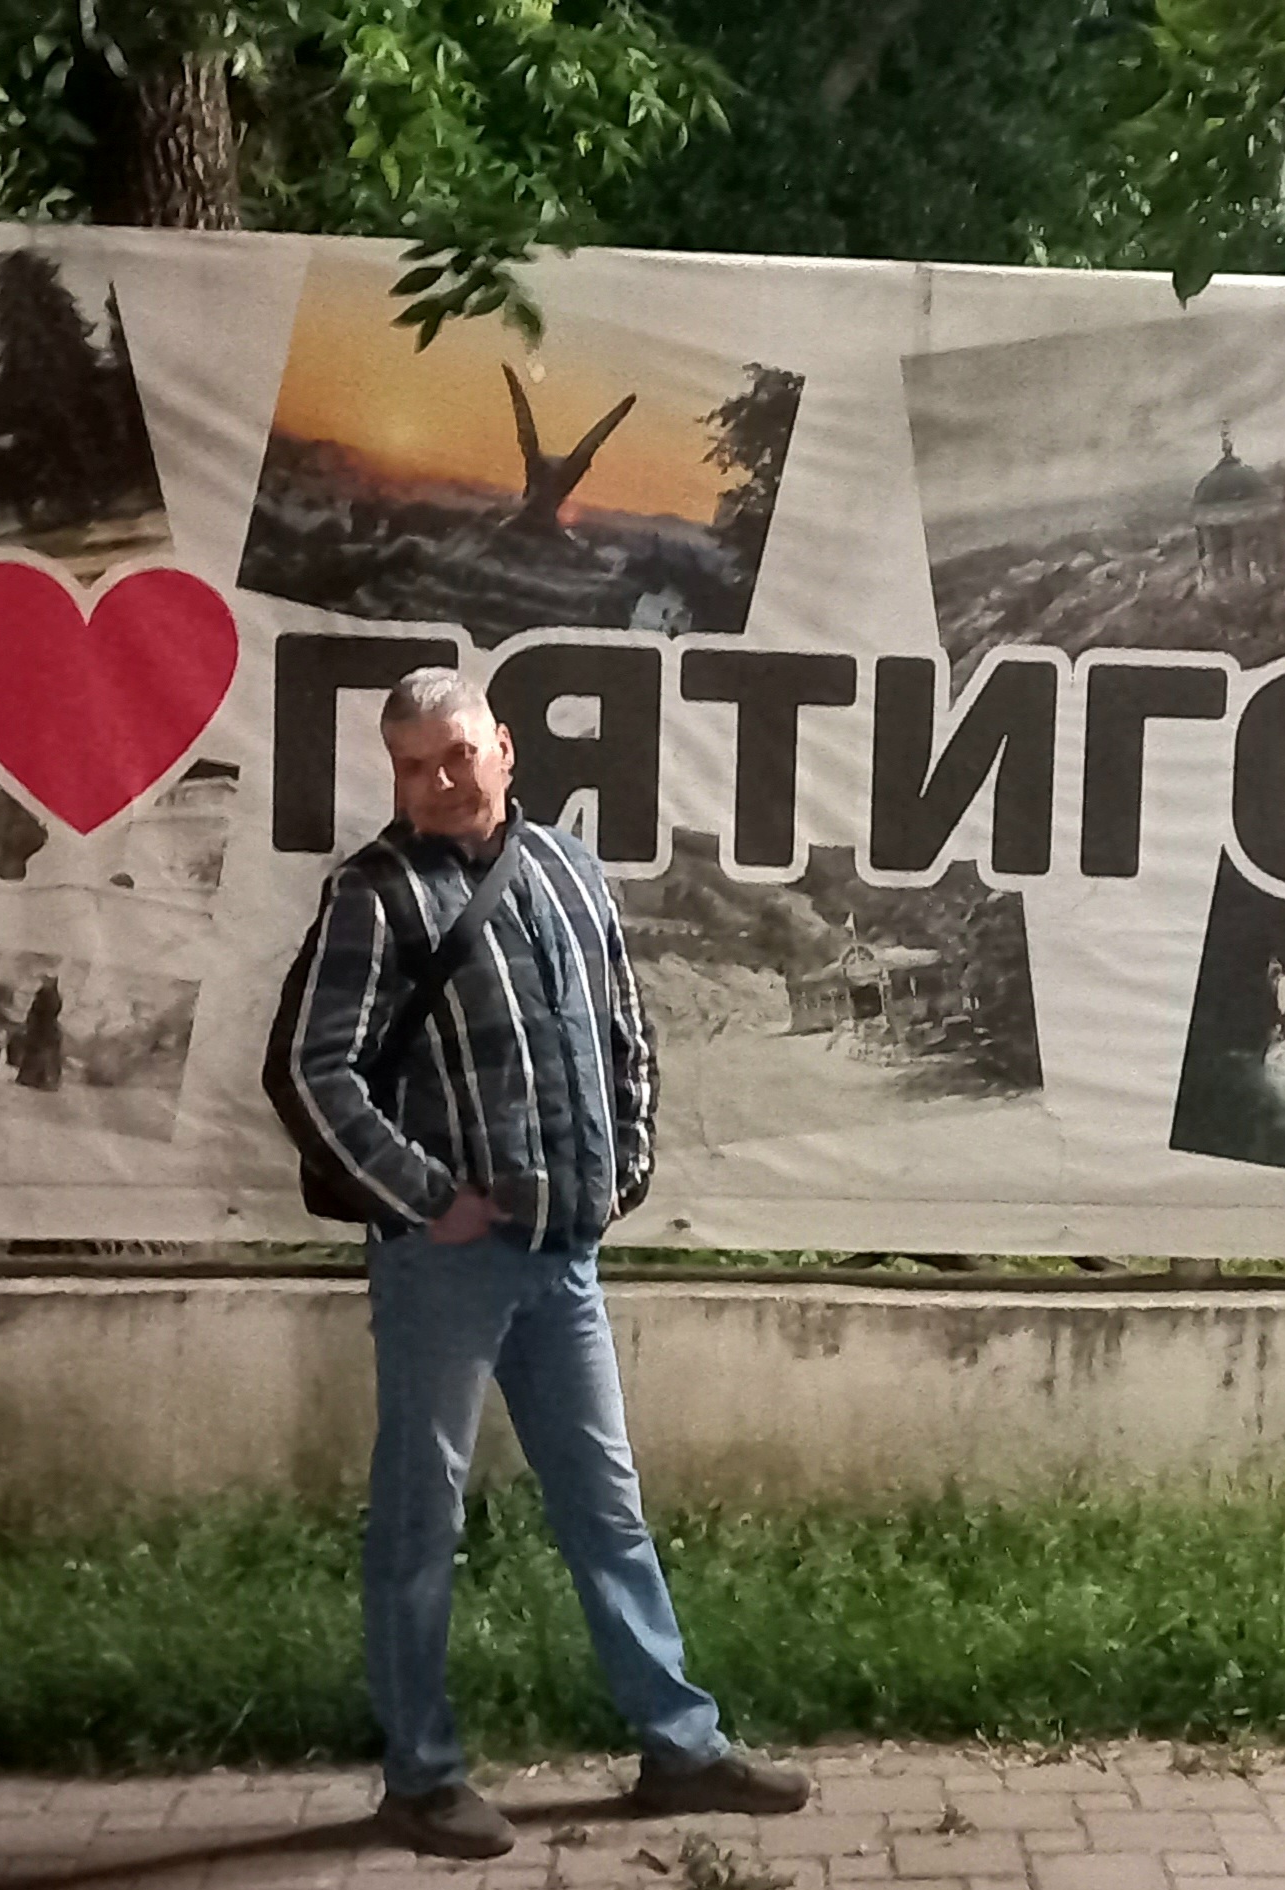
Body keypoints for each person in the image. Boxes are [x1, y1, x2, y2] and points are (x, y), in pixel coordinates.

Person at [265, 668, 808, 1860]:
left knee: (605, 1508)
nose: (438, 780)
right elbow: (311, 1071)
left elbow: (624, 1030)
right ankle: (420, 1781)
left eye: (456, 753)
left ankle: (678, 1749)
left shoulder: (565, 868)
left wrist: (626, 1169)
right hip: (444, 1269)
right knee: (420, 1520)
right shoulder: (373, 894)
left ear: (503, 748)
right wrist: (428, 1199)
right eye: (412, 765)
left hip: (563, 1259)